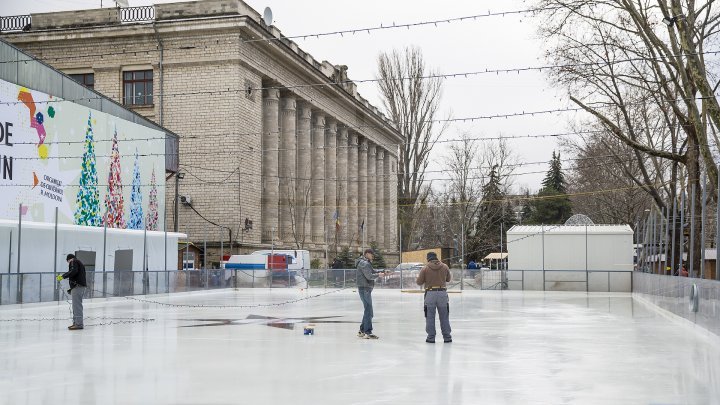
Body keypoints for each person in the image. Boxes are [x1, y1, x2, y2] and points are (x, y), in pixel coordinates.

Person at [416, 251, 452, 343]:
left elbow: (419, 282)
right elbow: (448, 279)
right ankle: (447, 337)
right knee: (444, 316)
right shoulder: (445, 266)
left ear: (428, 259)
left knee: (430, 317)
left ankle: (431, 337)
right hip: (442, 294)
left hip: (430, 294)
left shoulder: (425, 268)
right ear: (436, 258)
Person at [355, 248, 387, 339]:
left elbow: (372, 271)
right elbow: (369, 276)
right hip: (365, 289)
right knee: (369, 311)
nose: (373, 257)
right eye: (372, 255)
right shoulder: (364, 263)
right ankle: (367, 332)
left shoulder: (365, 262)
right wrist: (379, 275)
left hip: (365, 289)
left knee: (368, 310)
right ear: (367, 254)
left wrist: (381, 271)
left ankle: (362, 330)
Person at [57, 254, 87, 330]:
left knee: (76, 306)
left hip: (78, 286)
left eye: (68, 262)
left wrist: (63, 276)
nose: (68, 264)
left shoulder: (73, 261)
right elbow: (76, 274)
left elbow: (73, 271)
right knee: (76, 305)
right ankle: (76, 322)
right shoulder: (79, 263)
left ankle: (79, 324)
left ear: (69, 259)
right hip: (79, 286)